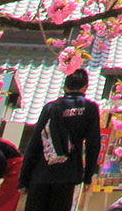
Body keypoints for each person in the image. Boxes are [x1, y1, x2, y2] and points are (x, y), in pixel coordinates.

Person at [21, 69, 103, 211]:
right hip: (68, 173)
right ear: (85, 87)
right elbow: (93, 144)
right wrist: (88, 176)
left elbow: (34, 143)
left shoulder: (51, 107)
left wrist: (23, 179)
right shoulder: (90, 109)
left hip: (41, 172)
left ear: (64, 87)